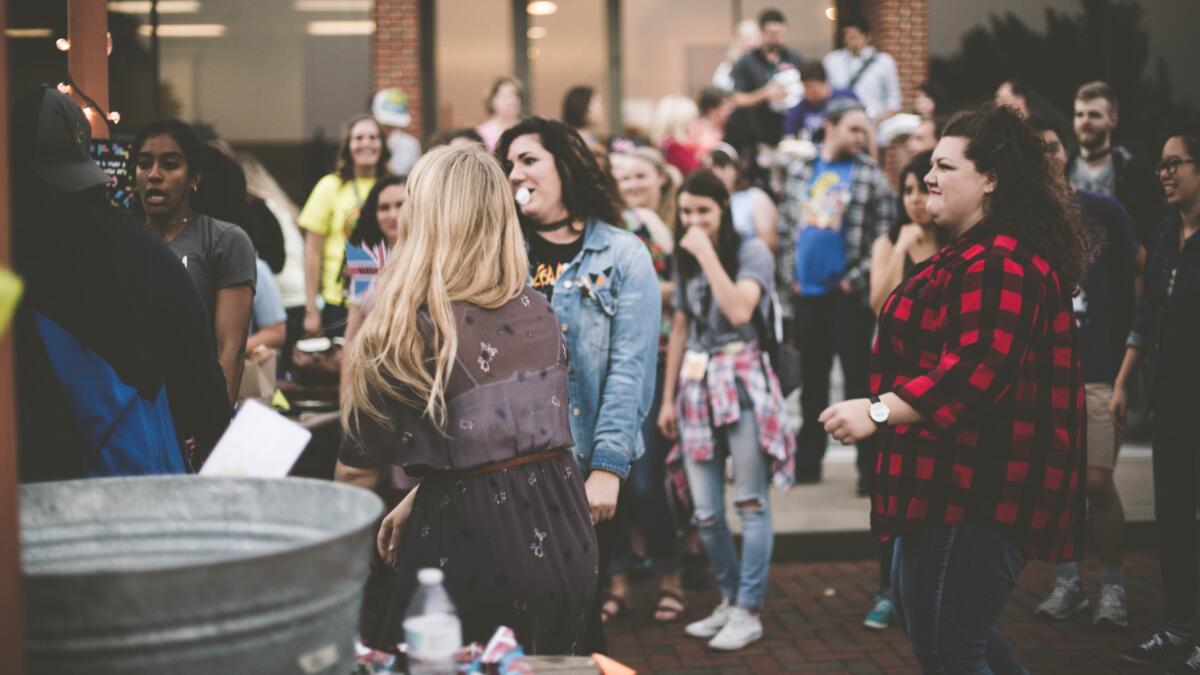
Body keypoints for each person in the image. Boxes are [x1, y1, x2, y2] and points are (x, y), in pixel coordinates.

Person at [821, 103, 1088, 675]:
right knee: (955, 639)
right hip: (946, 489)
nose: (929, 180)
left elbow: (977, 370)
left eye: (945, 167)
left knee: (948, 649)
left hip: (974, 495)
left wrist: (877, 410)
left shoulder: (1002, 261)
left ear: (991, 178)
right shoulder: (972, 253)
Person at [333, 145, 597, 654]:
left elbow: (356, 468)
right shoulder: (538, 308)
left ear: (426, 217)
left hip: (475, 550)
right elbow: (506, 441)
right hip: (566, 533)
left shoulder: (411, 324)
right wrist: (420, 495)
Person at [497, 117, 660, 653]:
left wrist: (609, 468)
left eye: (528, 159)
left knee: (576, 620)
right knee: (513, 620)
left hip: (582, 466)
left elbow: (631, 368)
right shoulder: (496, 254)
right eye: (509, 162)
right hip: (506, 466)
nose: (515, 171)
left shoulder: (623, 253)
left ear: (563, 165)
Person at [13, 87, 231, 480]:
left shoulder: (17, 268)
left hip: (50, 504)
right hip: (149, 492)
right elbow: (204, 391)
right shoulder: (145, 252)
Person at [658, 170, 795, 651]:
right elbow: (680, 325)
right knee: (705, 511)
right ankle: (731, 598)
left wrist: (707, 254)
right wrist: (667, 395)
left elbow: (738, 311)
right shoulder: (685, 254)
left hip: (742, 377)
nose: (694, 221)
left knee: (751, 502)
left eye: (704, 212)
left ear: (723, 211)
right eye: (687, 212)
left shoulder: (750, 251)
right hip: (696, 385)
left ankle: (749, 608)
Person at [1024, 117, 1140, 631]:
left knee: (1096, 481)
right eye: (1035, 151)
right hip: (1048, 373)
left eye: (1050, 148)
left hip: (1097, 367)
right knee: (1058, 486)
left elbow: (1142, 273)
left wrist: (1130, 352)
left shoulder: (1103, 211)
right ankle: (1069, 582)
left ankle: (1112, 588)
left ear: (1063, 155)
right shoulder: (1025, 222)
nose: (1044, 157)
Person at [1112, 133, 1200, 673]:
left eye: (1175, 165)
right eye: (1160, 167)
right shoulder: (1167, 233)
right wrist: (1123, 383)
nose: (1164, 175)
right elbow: (1146, 320)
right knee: (1172, 518)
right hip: (1170, 405)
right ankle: (1178, 628)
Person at [777, 99, 894, 486]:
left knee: (860, 382)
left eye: (865, 131)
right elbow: (785, 229)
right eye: (854, 129)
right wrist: (790, 276)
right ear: (829, 127)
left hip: (848, 297)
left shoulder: (870, 176)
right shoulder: (800, 171)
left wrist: (855, 280)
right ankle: (808, 465)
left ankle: (868, 471)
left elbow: (884, 234)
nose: (862, 137)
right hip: (806, 295)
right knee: (813, 384)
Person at [861, 150, 941, 631]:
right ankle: (887, 591)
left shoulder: (954, 244)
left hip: (936, 383)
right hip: (893, 381)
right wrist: (900, 248)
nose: (914, 199)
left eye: (921, 189)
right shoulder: (888, 241)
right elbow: (877, 303)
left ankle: (924, 590)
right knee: (888, 487)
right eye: (906, 190)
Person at [132, 119, 257, 404]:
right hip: (134, 413)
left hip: (194, 408)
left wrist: (212, 426)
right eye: (144, 163)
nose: (154, 174)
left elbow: (231, 347)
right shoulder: (122, 241)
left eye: (170, 164)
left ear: (194, 177)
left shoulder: (224, 240)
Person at [299, 114, 389, 339]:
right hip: (338, 299)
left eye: (373, 137)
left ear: (383, 145)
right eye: (359, 138)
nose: (366, 143)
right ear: (348, 146)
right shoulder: (330, 186)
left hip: (386, 297)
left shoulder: (392, 186)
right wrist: (311, 308)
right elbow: (312, 252)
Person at [1067, 81, 1167, 252]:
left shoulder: (1135, 174)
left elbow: (1151, 229)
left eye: (1094, 115)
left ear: (1113, 120)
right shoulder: (1061, 170)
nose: (1085, 121)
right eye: (1079, 114)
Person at [237, 151, 307, 376]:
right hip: (298, 291)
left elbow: (274, 260)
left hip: (281, 296)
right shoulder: (277, 202)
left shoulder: (259, 207)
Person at [342, 175, 407, 385]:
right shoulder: (365, 259)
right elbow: (352, 334)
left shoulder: (433, 257)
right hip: (373, 376)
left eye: (400, 205)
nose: (392, 215)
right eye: (384, 207)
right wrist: (346, 394)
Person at [727, 9, 803, 152]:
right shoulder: (746, 62)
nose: (777, 38)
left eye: (781, 33)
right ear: (762, 33)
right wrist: (764, 94)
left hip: (789, 131)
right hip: (759, 134)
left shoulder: (794, 58)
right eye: (772, 34)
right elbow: (736, 98)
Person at [823, 17, 901, 122]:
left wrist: (883, 118)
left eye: (855, 35)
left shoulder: (883, 61)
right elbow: (826, 90)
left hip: (875, 121)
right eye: (847, 35)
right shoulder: (831, 60)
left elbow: (893, 96)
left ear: (867, 37)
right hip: (841, 120)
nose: (851, 39)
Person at [708, 143, 777, 250]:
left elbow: (769, 243)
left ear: (737, 170)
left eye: (723, 166)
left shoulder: (754, 197)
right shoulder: (705, 204)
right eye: (713, 166)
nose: (718, 172)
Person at [781, 60, 858, 142]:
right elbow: (788, 138)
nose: (808, 92)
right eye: (805, 87)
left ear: (824, 83)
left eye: (812, 87)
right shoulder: (799, 109)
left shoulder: (846, 97)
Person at [611, 146, 679, 235]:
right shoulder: (614, 223)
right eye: (625, 178)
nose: (632, 185)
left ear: (662, 178)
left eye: (641, 176)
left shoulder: (682, 215)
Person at [372, 87, 422, 177]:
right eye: (386, 124)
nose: (389, 128)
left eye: (393, 125)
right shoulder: (368, 142)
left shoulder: (410, 145)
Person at [651, 96, 701, 176]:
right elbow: (697, 176)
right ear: (683, 121)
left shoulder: (666, 144)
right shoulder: (674, 148)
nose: (696, 122)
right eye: (693, 118)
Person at [712, 19, 761, 92]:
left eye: (755, 38)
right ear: (736, 41)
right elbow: (718, 95)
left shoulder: (768, 67)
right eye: (747, 38)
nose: (751, 43)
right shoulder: (726, 69)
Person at [476, 77, 524, 151]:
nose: (511, 101)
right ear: (492, 100)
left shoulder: (526, 130)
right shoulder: (481, 133)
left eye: (516, 95)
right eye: (505, 96)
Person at [691, 86, 732, 161]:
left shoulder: (728, 129)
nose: (729, 112)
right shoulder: (697, 129)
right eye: (725, 107)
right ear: (712, 110)